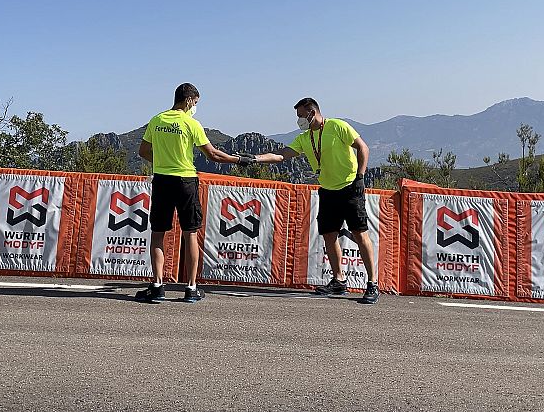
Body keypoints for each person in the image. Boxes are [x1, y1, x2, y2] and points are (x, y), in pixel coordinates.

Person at [245, 97, 380, 304]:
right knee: (329, 235)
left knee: (360, 235)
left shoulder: (337, 126)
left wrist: (360, 178)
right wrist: (255, 158)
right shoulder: (305, 137)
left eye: (300, 116)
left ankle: (372, 283)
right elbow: (282, 155)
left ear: (311, 112)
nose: (299, 120)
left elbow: (363, 148)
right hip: (327, 191)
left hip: (350, 188)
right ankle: (339, 280)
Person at [137, 83, 250, 303]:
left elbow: (143, 152)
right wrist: (239, 159)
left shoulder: (156, 120)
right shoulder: (191, 123)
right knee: (190, 233)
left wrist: (162, 162)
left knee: (158, 233)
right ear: (189, 100)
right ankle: (191, 288)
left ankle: (158, 286)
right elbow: (213, 156)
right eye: (196, 103)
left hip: (162, 180)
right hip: (186, 180)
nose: (195, 107)